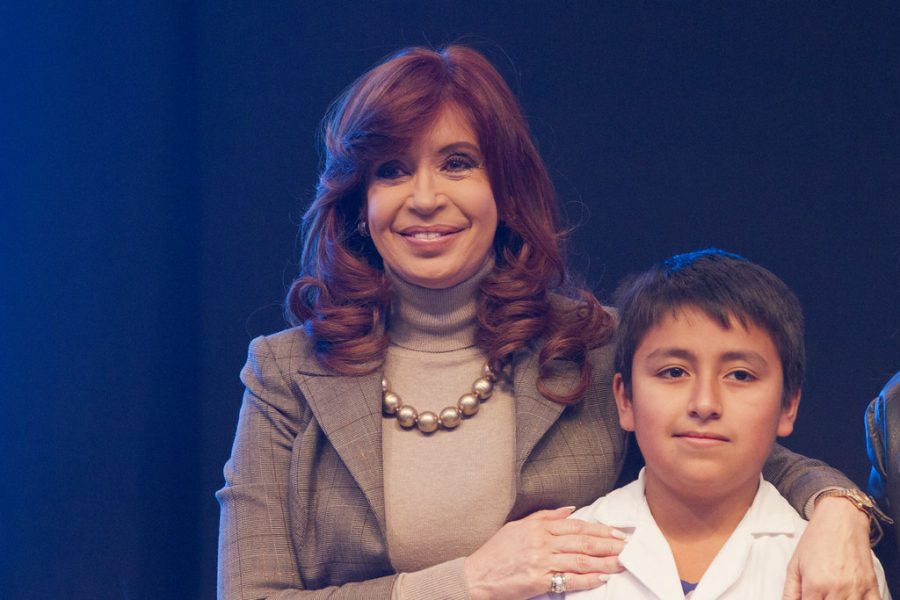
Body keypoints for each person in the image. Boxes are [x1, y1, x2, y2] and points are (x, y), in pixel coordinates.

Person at [216, 45, 881, 600]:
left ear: (504, 189)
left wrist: (839, 511)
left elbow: (729, 441)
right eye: (392, 171)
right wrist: (468, 582)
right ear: (360, 203)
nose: (425, 197)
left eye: (457, 163)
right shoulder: (286, 374)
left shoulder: (589, 344)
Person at [534, 249, 890, 599]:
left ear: (788, 405)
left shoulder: (841, 568)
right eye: (674, 372)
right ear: (625, 399)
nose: (704, 404)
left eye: (740, 375)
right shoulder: (555, 561)